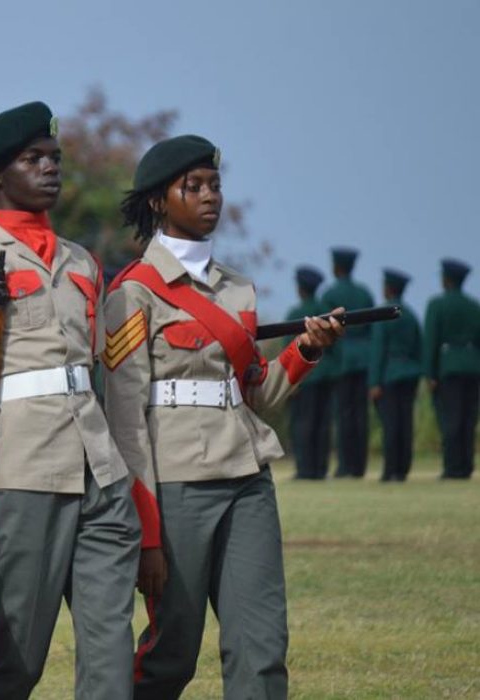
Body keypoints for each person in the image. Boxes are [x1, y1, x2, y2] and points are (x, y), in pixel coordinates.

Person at [104, 135, 343, 700]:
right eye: (194, 187)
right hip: (177, 485)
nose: (210, 196)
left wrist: (305, 351)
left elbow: (252, 394)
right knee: (171, 653)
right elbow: (125, 419)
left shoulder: (237, 289)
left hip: (247, 479)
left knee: (262, 649)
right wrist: (147, 529)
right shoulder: (132, 293)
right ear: (160, 201)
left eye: (215, 185)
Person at [0, 101, 141, 700]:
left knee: (109, 661)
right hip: (21, 471)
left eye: (54, 158)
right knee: (12, 662)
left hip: (99, 468)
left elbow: (101, 374)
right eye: (33, 159)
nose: (50, 169)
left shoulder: (82, 262)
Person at [423, 259, 480, 479]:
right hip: (472, 366)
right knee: (468, 419)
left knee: (451, 420)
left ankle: (452, 467)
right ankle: (466, 465)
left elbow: (431, 341)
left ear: (446, 279)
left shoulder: (437, 304)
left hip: (449, 366)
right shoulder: (473, 306)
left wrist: (430, 373)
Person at [320, 247, 374, 477]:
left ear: (337, 267)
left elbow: (323, 332)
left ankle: (345, 466)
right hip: (363, 359)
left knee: (343, 415)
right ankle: (359, 466)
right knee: (361, 415)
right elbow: (372, 327)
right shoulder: (364, 293)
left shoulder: (329, 294)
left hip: (341, 360)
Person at [368, 269, 422, 482]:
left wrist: (374, 382)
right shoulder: (411, 315)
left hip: (389, 374)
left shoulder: (384, 313)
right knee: (405, 423)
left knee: (390, 424)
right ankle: (403, 469)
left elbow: (378, 350)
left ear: (388, 289)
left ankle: (390, 469)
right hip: (410, 374)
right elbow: (419, 347)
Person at [285, 266, 335, 479]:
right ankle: (320, 468)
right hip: (325, 374)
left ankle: (305, 469)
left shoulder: (296, 314)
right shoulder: (325, 311)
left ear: (300, 289)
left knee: (302, 423)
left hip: (304, 377)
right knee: (323, 423)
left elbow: (288, 351)